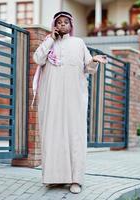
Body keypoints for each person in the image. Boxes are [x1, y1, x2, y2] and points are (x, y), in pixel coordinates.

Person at [33, 11, 107, 194]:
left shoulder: (78, 43)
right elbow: (37, 59)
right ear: (54, 25)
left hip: (74, 99)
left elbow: (89, 67)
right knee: (53, 135)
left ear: (71, 25)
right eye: (59, 22)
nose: (63, 25)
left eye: (66, 22)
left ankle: (76, 180)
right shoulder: (48, 42)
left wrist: (94, 60)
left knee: (75, 136)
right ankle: (54, 178)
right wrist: (50, 39)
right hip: (52, 99)